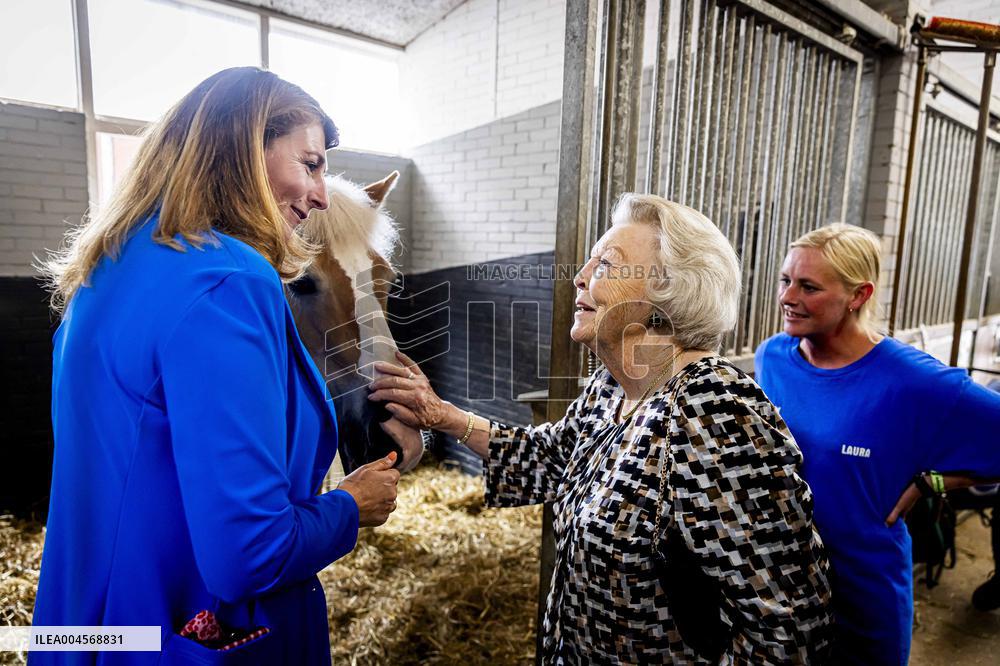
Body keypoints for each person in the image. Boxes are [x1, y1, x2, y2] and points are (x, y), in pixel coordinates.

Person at [31, 67, 415, 665]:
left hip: (91, 627)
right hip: (182, 629)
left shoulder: (105, 269)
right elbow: (249, 553)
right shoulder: (229, 280)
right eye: (309, 164)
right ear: (241, 150)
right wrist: (348, 506)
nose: (319, 194)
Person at [369, 194, 834, 663]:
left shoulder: (716, 413)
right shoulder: (611, 387)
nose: (580, 276)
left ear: (668, 291)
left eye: (607, 264)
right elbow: (553, 458)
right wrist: (441, 414)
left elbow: (785, 626)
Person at [754, 223, 1000, 665]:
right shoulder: (772, 357)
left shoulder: (912, 380)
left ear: (858, 296)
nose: (788, 297)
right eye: (785, 280)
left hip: (862, 593)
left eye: (808, 287)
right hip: (778, 588)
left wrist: (935, 485)